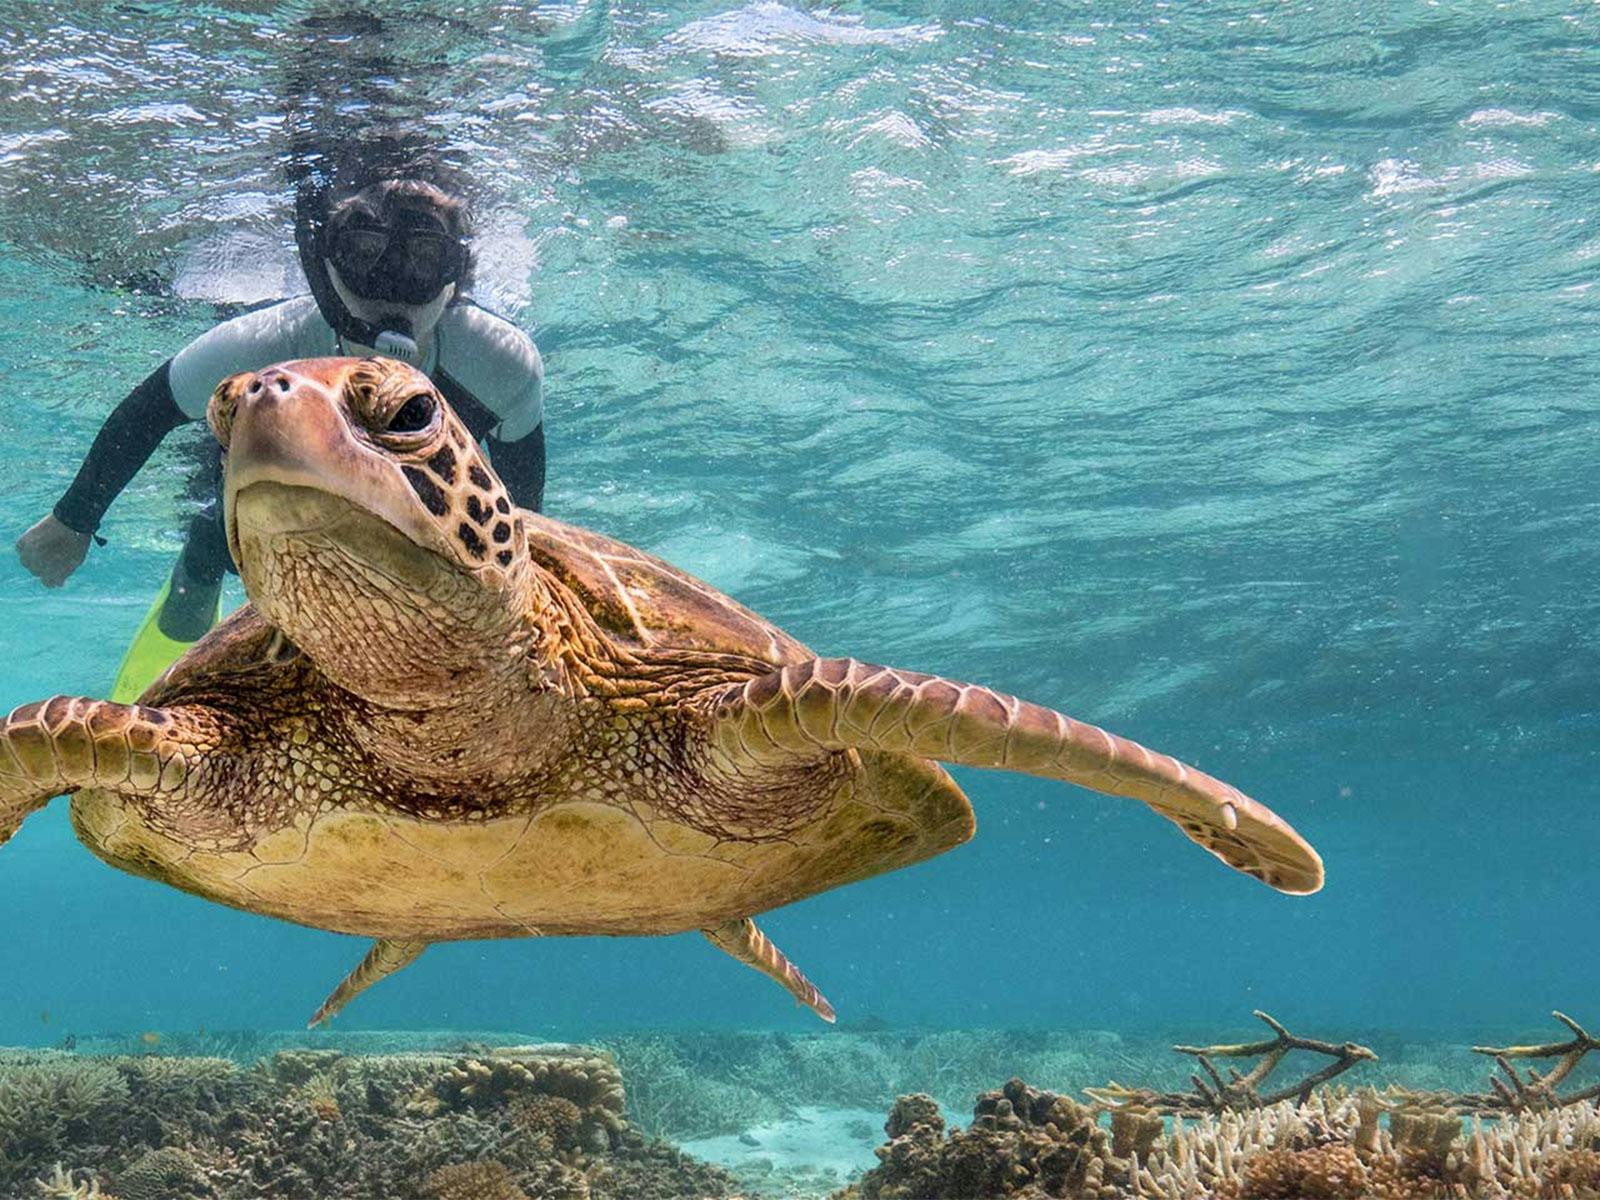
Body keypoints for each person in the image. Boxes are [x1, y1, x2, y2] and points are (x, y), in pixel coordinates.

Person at [14, 141, 546, 700]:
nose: (392, 285)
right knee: (211, 544)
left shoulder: (499, 363)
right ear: (324, 263)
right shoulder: (264, 345)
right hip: (266, 473)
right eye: (364, 252)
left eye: (421, 258)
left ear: (455, 274)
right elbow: (148, 411)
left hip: (411, 517)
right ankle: (196, 577)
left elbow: (524, 517)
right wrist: (73, 520)